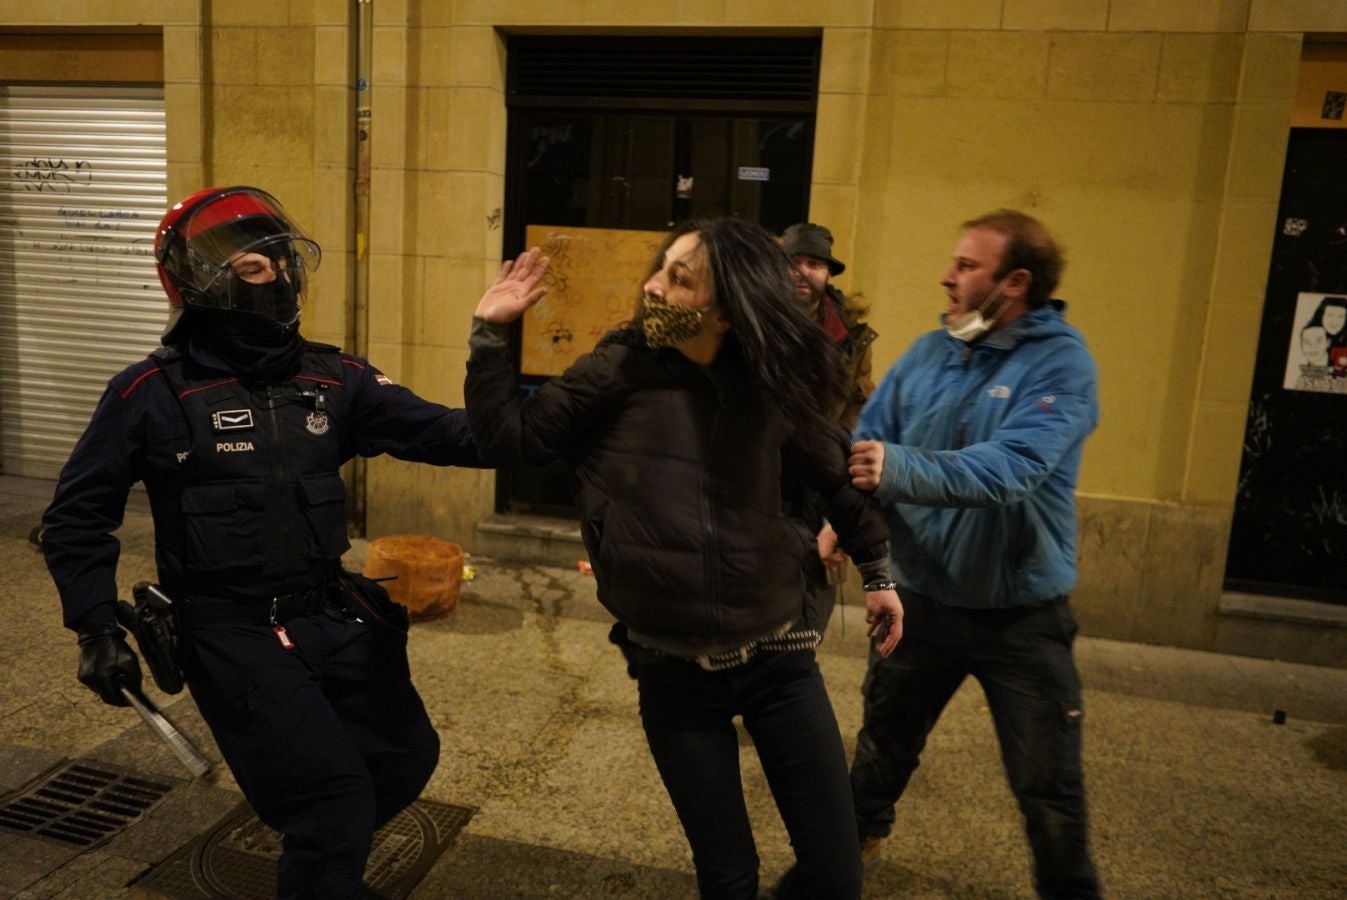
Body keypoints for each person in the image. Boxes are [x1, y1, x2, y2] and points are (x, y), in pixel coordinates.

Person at [41, 186, 485, 900]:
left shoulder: (333, 377)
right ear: (202, 284)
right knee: (330, 801)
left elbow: (456, 434)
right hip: (232, 632)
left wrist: (575, 403)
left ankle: (324, 872)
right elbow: (75, 517)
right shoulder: (148, 393)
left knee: (404, 758)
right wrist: (93, 626)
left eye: (284, 263)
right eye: (253, 269)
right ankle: (324, 866)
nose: (278, 279)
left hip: (331, 615)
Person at [465, 217, 905, 899]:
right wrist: (491, 332)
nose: (651, 286)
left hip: (779, 657)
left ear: (724, 310)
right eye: (659, 268)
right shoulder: (617, 367)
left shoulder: (769, 384)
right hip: (674, 674)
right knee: (727, 877)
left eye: (677, 276)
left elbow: (833, 480)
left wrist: (878, 574)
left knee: (834, 871)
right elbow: (510, 439)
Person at [845, 209, 1102, 899]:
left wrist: (894, 470)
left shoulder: (1061, 364)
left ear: (1014, 282)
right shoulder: (930, 353)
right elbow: (863, 446)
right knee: (878, 753)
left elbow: (1011, 467)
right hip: (921, 602)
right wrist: (846, 526)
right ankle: (832, 870)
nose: (946, 276)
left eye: (965, 265)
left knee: (1047, 786)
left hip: (1021, 617)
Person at [780, 222, 878, 638]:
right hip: (757, 476)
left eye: (814, 263)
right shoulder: (750, 320)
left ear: (828, 273)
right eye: (794, 262)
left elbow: (857, 413)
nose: (803, 272)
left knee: (810, 610)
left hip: (819, 483)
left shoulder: (851, 338)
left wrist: (838, 510)